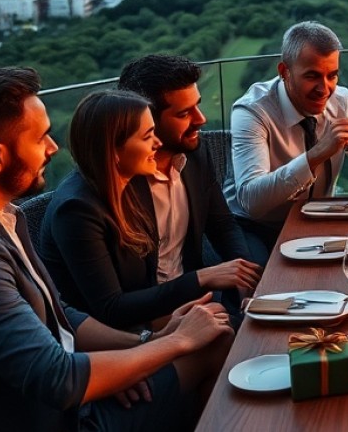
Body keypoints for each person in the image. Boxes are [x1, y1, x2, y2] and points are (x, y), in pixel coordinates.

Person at [0, 66, 233, 432]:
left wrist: (146, 344)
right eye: (41, 138)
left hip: (63, 395)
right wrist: (177, 342)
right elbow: (60, 381)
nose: (53, 148)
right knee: (212, 345)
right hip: (56, 419)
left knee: (205, 339)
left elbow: (59, 315)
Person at [40, 90, 259, 331]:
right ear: (113, 150)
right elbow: (111, 309)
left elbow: (222, 225)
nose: (157, 143)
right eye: (147, 136)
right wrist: (202, 278)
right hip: (110, 334)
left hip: (158, 307)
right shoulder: (77, 210)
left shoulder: (122, 185)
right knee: (225, 329)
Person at [224, 21, 348, 263]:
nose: (324, 89)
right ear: (284, 71)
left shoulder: (342, 102)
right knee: (260, 284)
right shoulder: (252, 111)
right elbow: (253, 201)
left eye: (332, 75)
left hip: (316, 220)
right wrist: (317, 154)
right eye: (312, 76)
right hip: (254, 227)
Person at [111, 54, 261, 314]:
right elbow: (114, 305)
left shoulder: (195, 153)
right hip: (145, 316)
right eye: (184, 113)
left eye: (197, 105)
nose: (201, 119)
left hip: (196, 300)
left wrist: (245, 276)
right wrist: (202, 280)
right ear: (146, 120)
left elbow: (222, 224)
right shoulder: (111, 186)